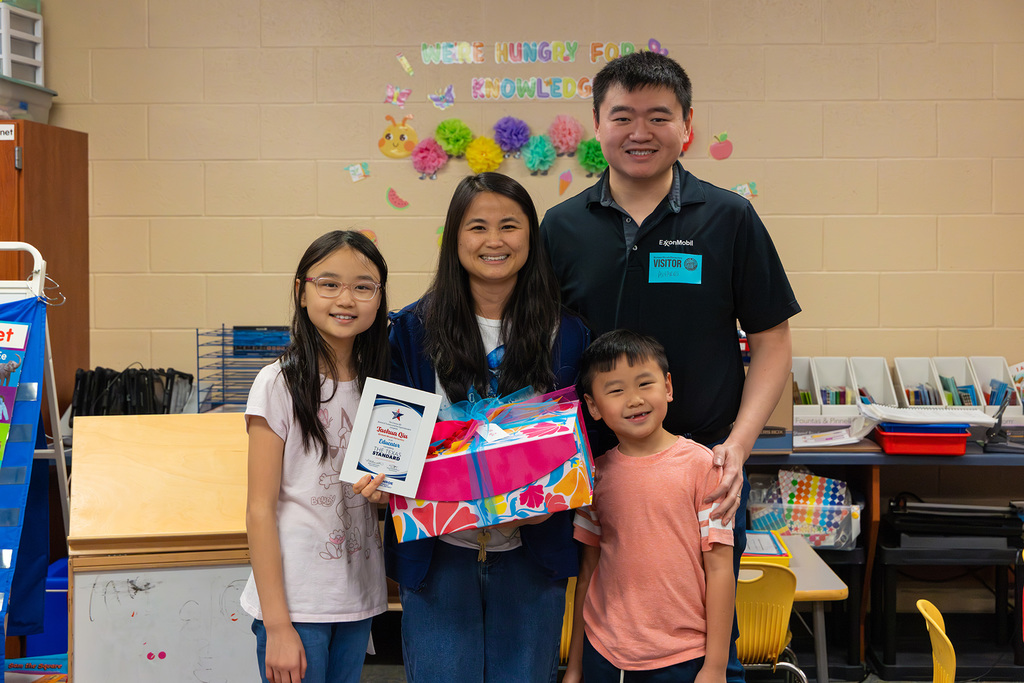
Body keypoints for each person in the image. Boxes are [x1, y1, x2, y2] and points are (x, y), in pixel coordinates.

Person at [540, 50, 800, 681]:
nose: (639, 132)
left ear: (687, 126)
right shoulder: (562, 226)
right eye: (622, 115)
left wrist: (736, 447)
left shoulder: (729, 218)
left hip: (700, 474)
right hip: (591, 473)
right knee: (597, 622)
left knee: (706, 641)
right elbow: (539, 347)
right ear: (597, 126)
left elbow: (771, 342)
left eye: (659, 116)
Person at [366, 172, 589, 682]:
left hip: (533, 551)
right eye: (477, 227)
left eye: (509, 226)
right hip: (439, 554)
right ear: (455, 237)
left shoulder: (569, 332)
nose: (494, 241)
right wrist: (380, 477)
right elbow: (390, 435)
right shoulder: (411, 328)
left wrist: (558, 496)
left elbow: (585, 441)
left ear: (531, 236)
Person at [243, 230, 391, 683]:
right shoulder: (278, 383)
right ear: (301, 292)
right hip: (296, 604)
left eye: (363, 287)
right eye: (329, 283)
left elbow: (380, 494)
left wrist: (386, 496)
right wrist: (277, 624)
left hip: (357, 596)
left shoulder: (381, 388)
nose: (346, 298)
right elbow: (259, 509)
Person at [564, 329, 734, 683]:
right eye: (615, 390)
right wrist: (576, 667)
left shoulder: (703, 467)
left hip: (683, 656)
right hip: (604, 654)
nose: (634, 400)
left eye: (645, 384)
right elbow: (587, 574)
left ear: (668, 387)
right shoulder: (591, 476)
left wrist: (716, 667)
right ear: (593, 406)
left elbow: (720, 570)